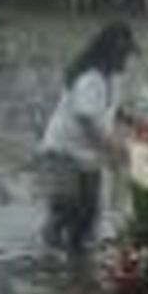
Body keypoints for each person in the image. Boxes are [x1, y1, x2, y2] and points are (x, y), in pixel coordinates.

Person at [39, 21, 139, 254]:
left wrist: (136, 122)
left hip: (88, 154)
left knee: (90, 212)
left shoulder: (112, 78)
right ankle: (52, 251)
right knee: (69, 208)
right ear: (110, 54)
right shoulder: (89, 79)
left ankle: (76, 257)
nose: (127, 61)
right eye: (124, 55)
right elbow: (87, 123)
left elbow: (114, 108)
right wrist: (115, 150)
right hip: (63, 152)